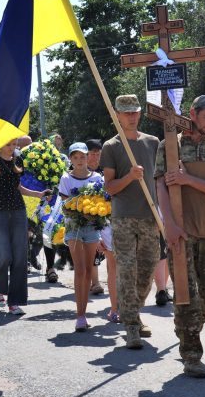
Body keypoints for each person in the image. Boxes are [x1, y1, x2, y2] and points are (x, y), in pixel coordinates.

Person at [155, 94, 205, 378]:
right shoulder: (169, 146)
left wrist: (189, 179)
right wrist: (170, 226)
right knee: (187, 296)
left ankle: (185, 326)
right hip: (181, 234)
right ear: (192, 114)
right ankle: (191, 354)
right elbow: (161, 187)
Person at [101, 94, 160, 349]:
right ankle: (131, 326)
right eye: (126, 113)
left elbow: (159, 179)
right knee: (127, 270)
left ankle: (135, 313)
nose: (132, 116)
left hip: (150, 216)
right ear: (117, 115)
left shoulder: (153, 142)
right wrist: (130, 176)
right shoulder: (112, 146)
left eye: (135, 112)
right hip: (124, 217)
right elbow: (110, 187)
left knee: (147, 270)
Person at [0, 139, 48, 316]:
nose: (12, 148)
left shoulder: (18, 160)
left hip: (18, 211)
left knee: (19, 257)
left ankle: (15, 302)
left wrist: (37, 194)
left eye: (14, 145)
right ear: (0, 144)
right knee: (3, 256)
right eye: (8, 144)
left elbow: (17, 187)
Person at [58, 142, 104, 331]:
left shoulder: (97, 177)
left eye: (82, 157)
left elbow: (102, 203)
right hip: (74, 229)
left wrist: (92, 213)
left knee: (88, 269)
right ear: (70, 159)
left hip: (92, 228)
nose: (79, 161)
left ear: (88, 157)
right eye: (75, 157)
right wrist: (80, 209)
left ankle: (84, 312)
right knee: (80, 270)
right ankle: (80, 316)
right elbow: (64, 206)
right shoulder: (66, 179)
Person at [85, 139, 106, 296]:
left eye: (98, 154)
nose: (95, 158)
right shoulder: (77, 170)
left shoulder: (105, 170)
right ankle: (95, 283)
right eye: (92, 154)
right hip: (85, 216)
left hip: (104, 215)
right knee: (92, 250)